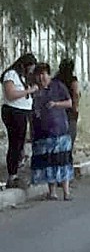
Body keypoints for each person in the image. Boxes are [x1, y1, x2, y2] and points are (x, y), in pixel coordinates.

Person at [30, 63, 74, 201]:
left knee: (63, 160)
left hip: (60, 130)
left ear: (49, 75)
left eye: (44, 74)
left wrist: (56, 104)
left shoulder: (58, 86)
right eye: (39, 74)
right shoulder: (35, 91)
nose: (42, 77)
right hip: (42, 132)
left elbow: (69, 102)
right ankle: (52, 191)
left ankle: (66, 192)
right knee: (48, 161)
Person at [1, 53, 38, 189]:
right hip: (13, 111)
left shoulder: (23, 77)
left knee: (20, 143)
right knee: (15, 143)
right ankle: (12, 175)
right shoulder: (11, 75)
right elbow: (10, 94)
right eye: (29, 68)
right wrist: (28, 90)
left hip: (23, 111)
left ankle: (16, 172)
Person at [54, 58, 80, 150]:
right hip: (69, 110)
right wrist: (76, 108)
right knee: (70, 135)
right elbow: (76, 94)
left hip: (57, 110)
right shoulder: (73, 79)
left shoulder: (55, 80)